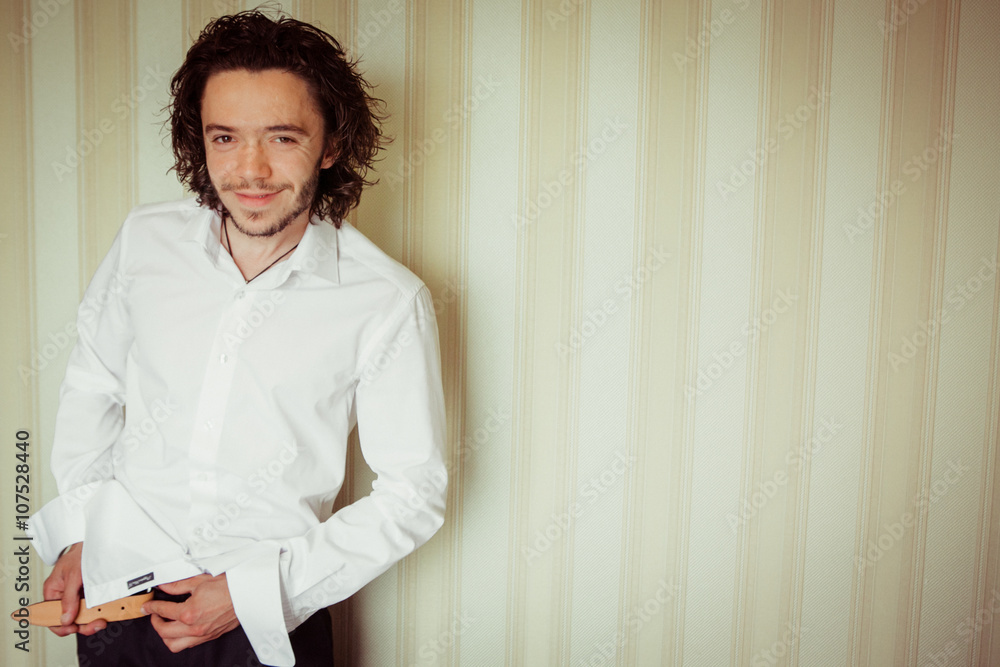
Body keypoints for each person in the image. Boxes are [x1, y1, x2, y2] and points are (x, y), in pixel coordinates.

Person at [26, 10, 447, 667]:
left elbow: (412, 495)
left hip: (265, 627)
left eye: (282, 137)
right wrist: (81, 532)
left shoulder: (387, 300)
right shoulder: (144, 241)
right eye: (224, 137)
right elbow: (92, 384)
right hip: (117, 609)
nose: (250, 170)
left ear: (330, 145)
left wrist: (253, 594)